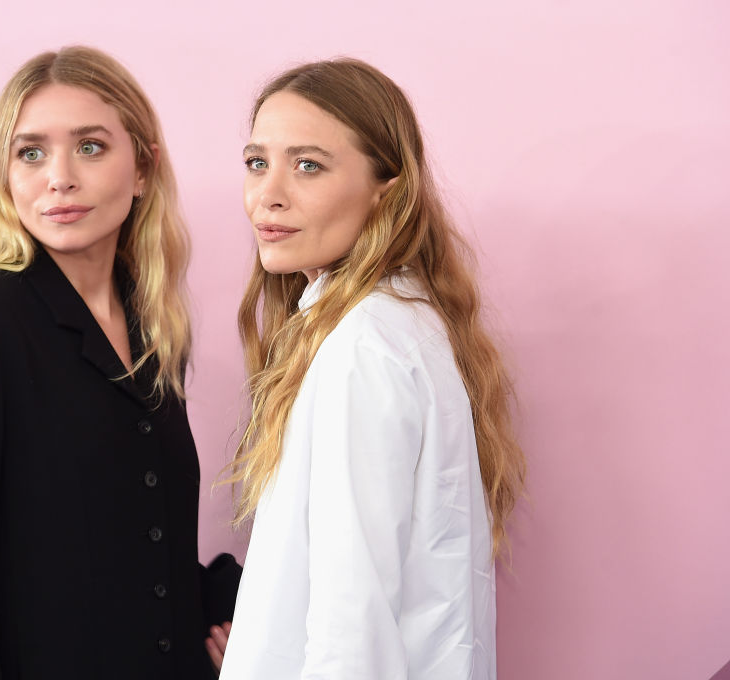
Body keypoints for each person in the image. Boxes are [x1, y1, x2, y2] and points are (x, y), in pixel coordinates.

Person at [0, 46, 237, 680]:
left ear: (143, 169)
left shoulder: (153, 324)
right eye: (31, 153)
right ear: (5, 176)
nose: (59, 177)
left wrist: (230, 610)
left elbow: (134, 542)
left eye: (89, 147)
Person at [214, 59, 527, 679]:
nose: (268, 193)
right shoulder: (392, 323)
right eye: (257, 162)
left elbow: (352, 620)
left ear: (387, 188)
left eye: (308, 165)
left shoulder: (362, 347)